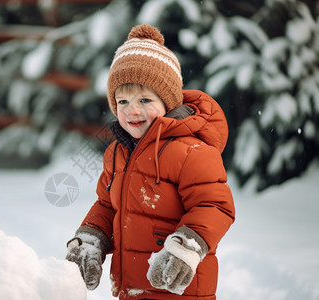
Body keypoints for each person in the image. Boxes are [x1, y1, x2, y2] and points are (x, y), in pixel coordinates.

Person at [66, 24, 235, 300]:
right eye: (122, 101)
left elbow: (215, 205)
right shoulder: (117, 152)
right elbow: (108, 205)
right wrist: (91, 238)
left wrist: (186, 247)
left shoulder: (191, 150)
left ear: (167, 102)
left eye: (145, 99)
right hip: (131, 288)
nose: (132, 110)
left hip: (179, 289)